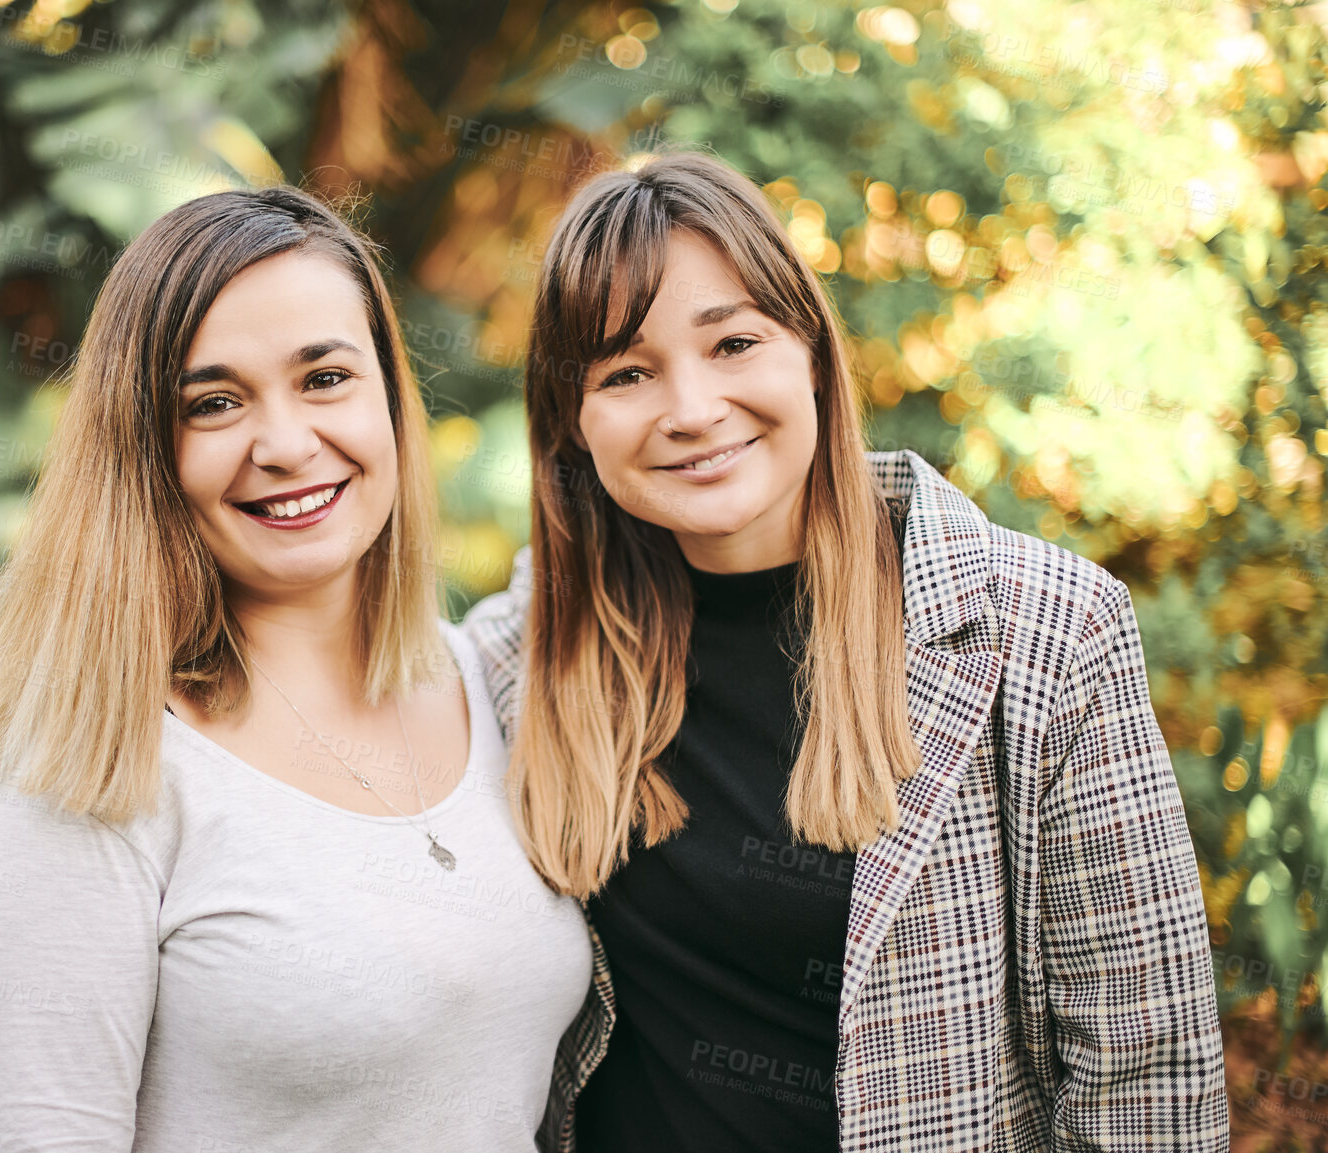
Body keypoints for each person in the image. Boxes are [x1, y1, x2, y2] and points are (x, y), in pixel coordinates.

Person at [463, 150, 1228, 1152]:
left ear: (811, 351)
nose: (690, 409)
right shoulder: (517, 660)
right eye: (626, 372)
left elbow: (1147, 1073)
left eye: (731, 342)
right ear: (573, 420)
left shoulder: (1042, 630)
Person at [0, 185, 593, 1153]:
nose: (285, 445)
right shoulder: (89, 773)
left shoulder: (488, 682)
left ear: (388, 395)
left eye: (324, 378)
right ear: (144, 451)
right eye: (212, 403)